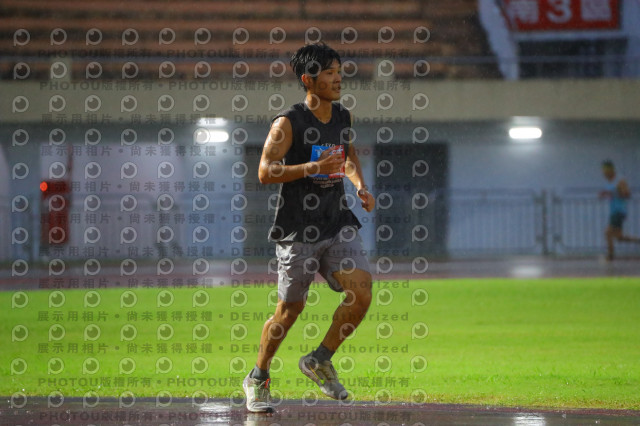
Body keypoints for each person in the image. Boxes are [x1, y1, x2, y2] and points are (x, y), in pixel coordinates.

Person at [242, 42, 375, 413]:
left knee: (361, 292)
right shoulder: (288, 122)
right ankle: (258, 377)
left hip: (337, 222)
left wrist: (360, 186)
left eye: (339, 71)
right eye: (330, 73)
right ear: (308, 80)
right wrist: (310, 169)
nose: (338, 78)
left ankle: (319, 359)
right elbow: (265, 171)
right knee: (289, 312)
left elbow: (348, 156)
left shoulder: (342, 116)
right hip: (297, 230)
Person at [599, 160, 639, 260]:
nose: (604, 174)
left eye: (605, 172)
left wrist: (614, 193)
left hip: (619, 211)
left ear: (611, 170)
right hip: (613, 211)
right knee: (619, 237)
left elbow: (627, 194)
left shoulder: (620, 181)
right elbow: (612, 194)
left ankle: (610, 256)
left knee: (607, 233)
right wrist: (604, 194)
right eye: (603, 172)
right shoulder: (609, 183)